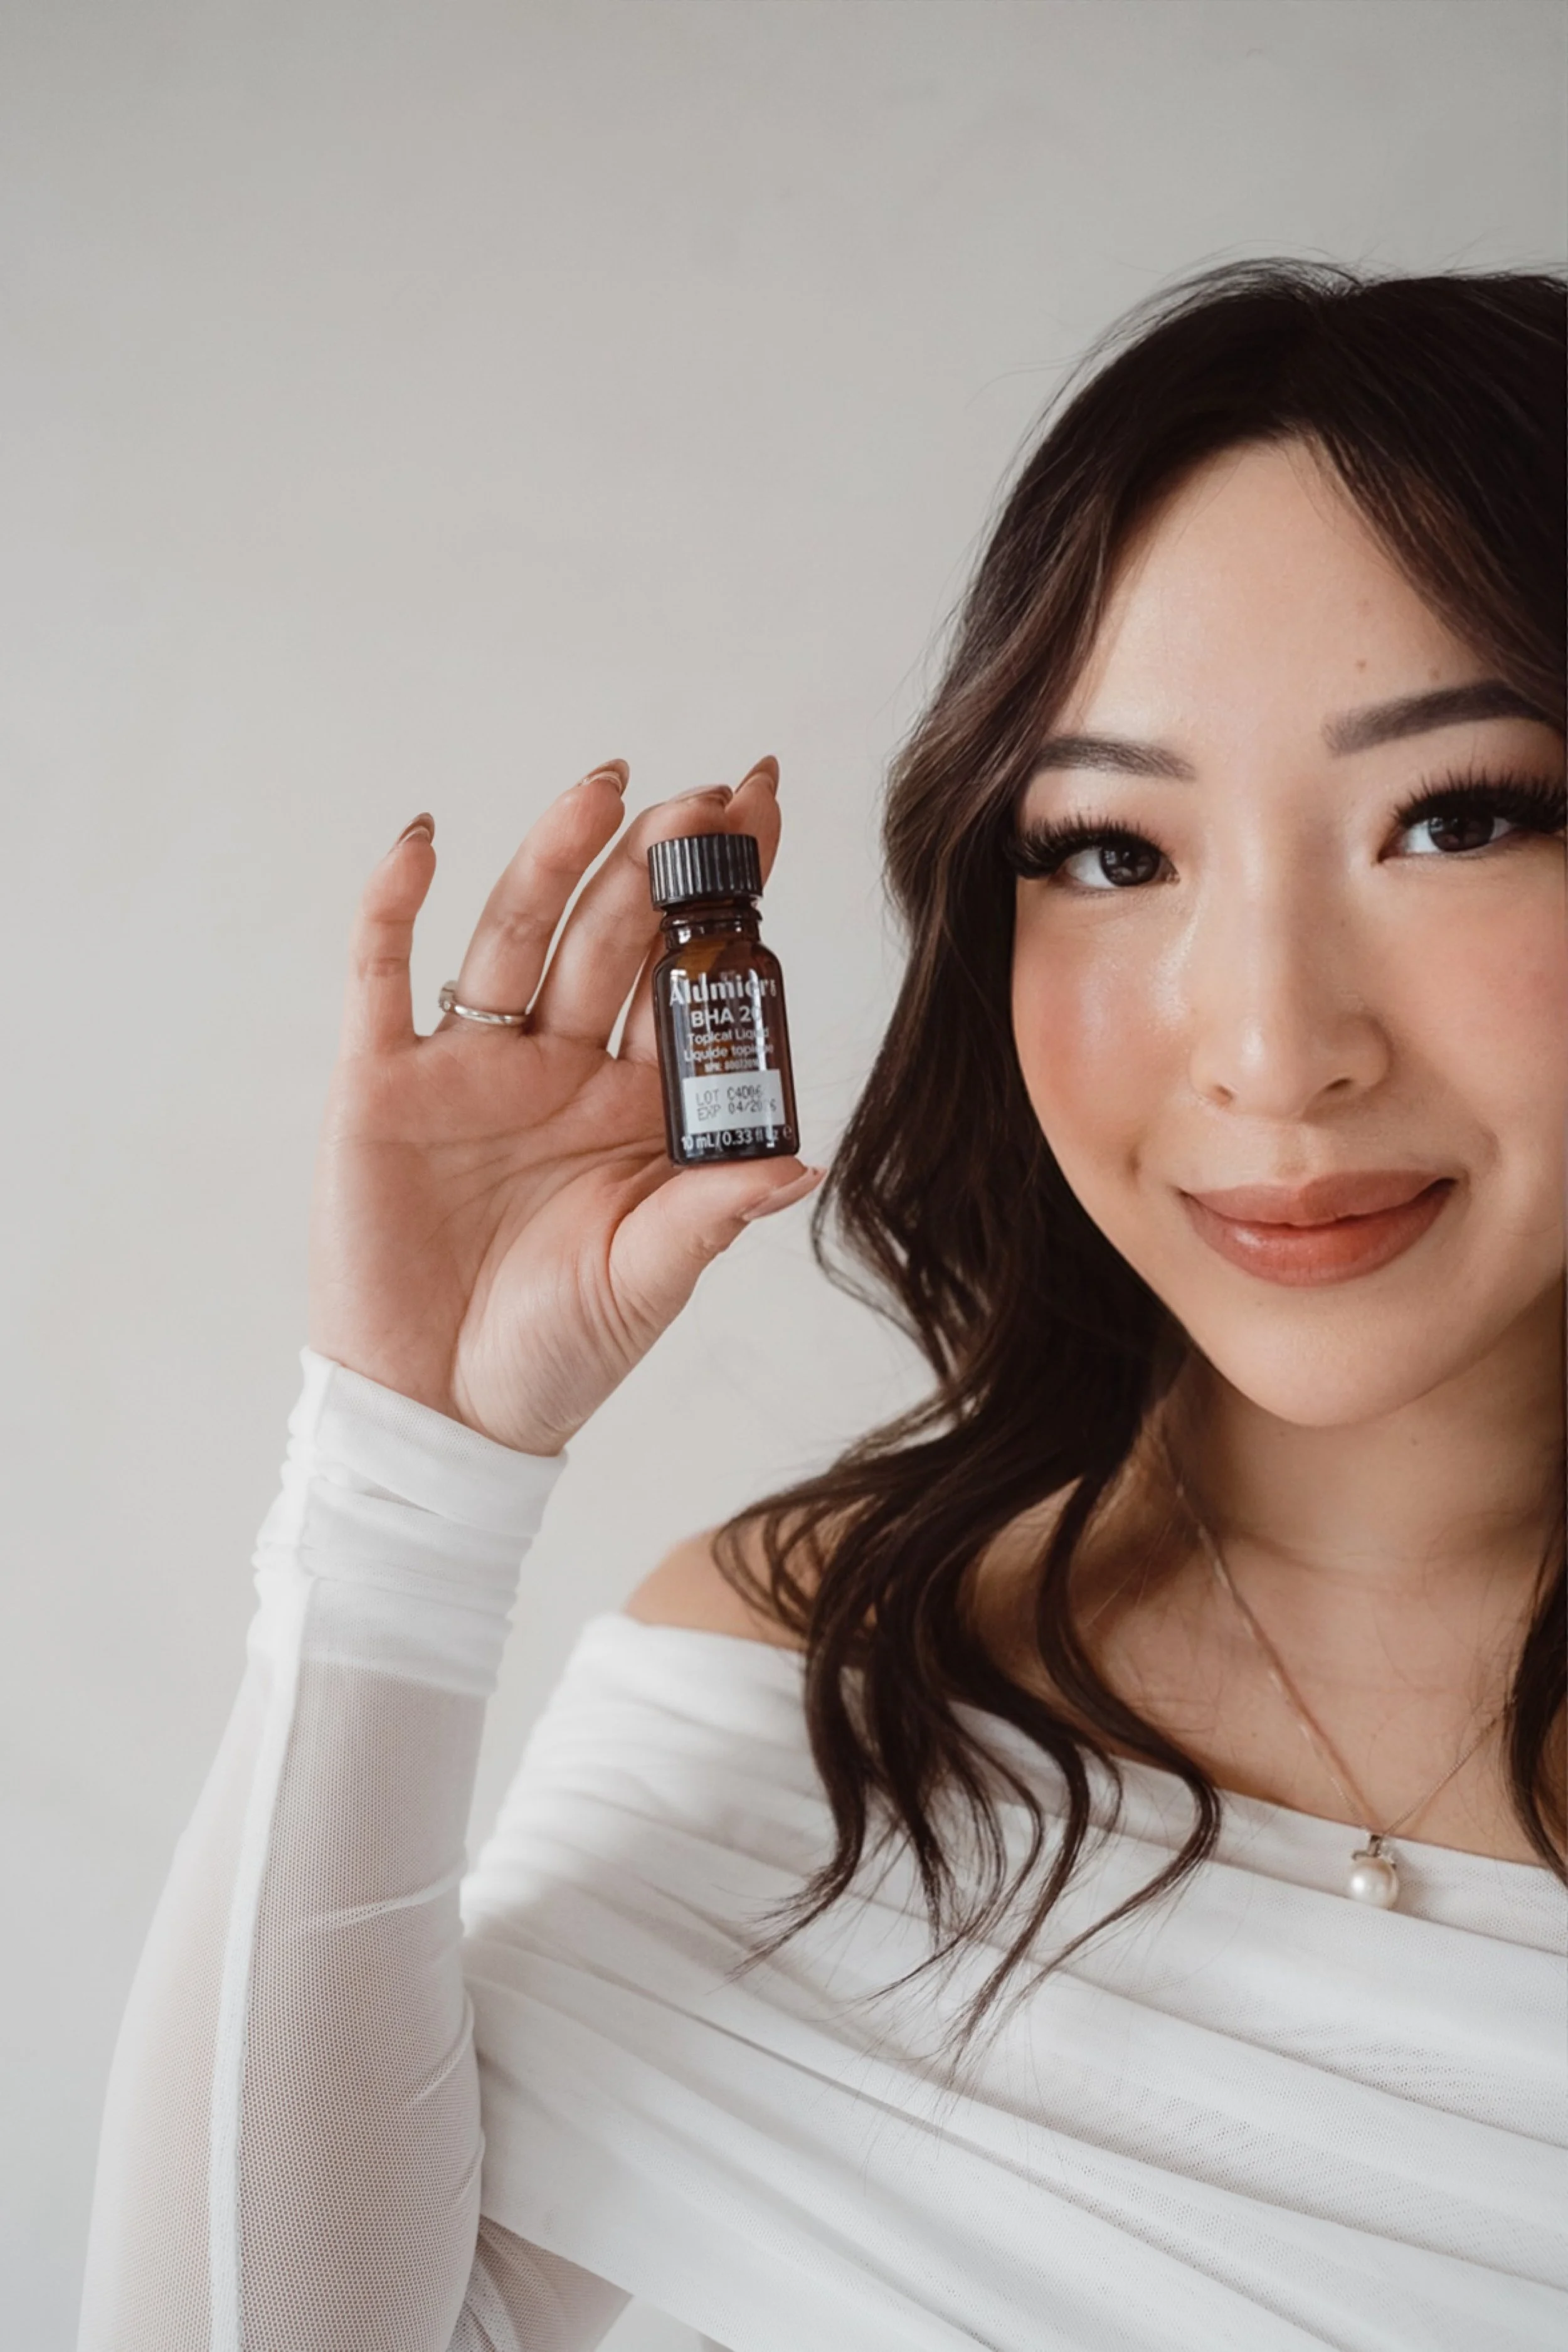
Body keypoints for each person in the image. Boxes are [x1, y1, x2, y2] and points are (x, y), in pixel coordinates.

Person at [77, 260, 1565, 2352]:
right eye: (1112, 850)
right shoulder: (800, 1668)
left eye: (1460, 815)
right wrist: (406, 1472)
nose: (1266, 1043)